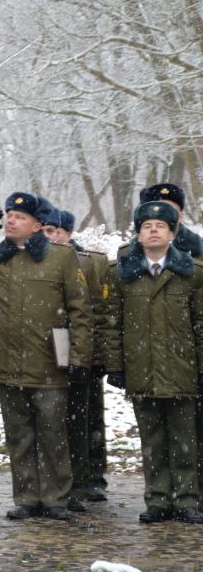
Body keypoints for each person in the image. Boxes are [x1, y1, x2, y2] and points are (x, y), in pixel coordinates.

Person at [0, 193, 91, 520]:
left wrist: (79, 358)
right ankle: (26, 497)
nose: (11, 220)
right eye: (9, 215)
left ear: (38, 225)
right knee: (19, 435)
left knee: (53, 435)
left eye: (20, 216)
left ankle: (55, 499)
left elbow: (79, 311)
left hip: (49, 363)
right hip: (6, 363)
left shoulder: (61, 258)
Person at [102, 200, 203, 524]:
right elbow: (112, 324)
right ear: (139, 235)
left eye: (161, 225)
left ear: (173, 233)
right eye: (147, 226)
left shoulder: (191, 275)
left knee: (185, 442)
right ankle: (158, 500)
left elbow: (201, 325)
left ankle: (187, 500)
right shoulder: (123, 275)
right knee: (152, 442)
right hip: (142, 371)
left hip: (181, 371)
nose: (154, 230)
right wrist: (116, 367)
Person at [41, 208, 108, 511]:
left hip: (84, 347)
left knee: (87, 417)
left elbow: (101, 309)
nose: (51, 236)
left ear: (69, 234)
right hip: (47, 349)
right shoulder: (38, 261)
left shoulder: (91, 263)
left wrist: (98, 354)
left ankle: (90, 477)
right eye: (46, 230)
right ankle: (60, 480)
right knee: (56, 418)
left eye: (57, 231)